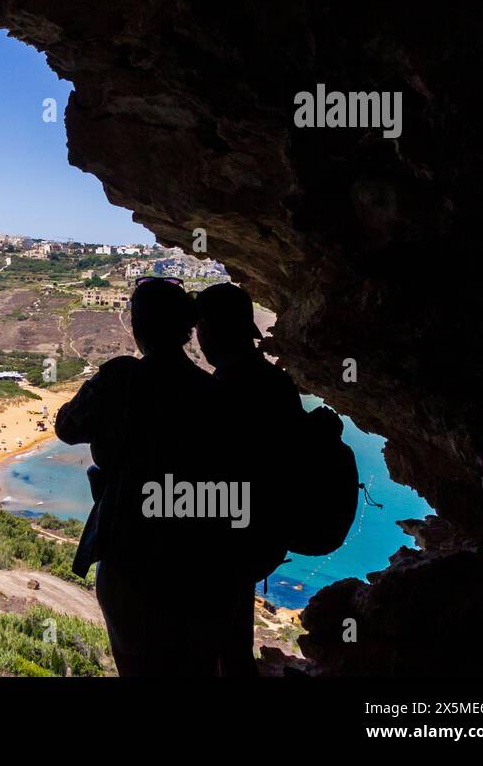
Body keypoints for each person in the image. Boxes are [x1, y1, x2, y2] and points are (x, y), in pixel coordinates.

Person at [57, 277, 233, 675]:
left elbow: (67, 428)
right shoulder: (213, 392)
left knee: (136, 659)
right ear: (187, 331)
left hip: (128, 542)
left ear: (136, 327)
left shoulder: (120, 378)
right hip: (199, 548)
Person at [193, 282, 305, 676]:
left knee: (218, 646)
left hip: (231, 535)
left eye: (200, 328)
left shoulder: (223, 387)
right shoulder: (277, 382)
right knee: (233, 641)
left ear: (210, 330)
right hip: (265, 531)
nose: (198, 338)